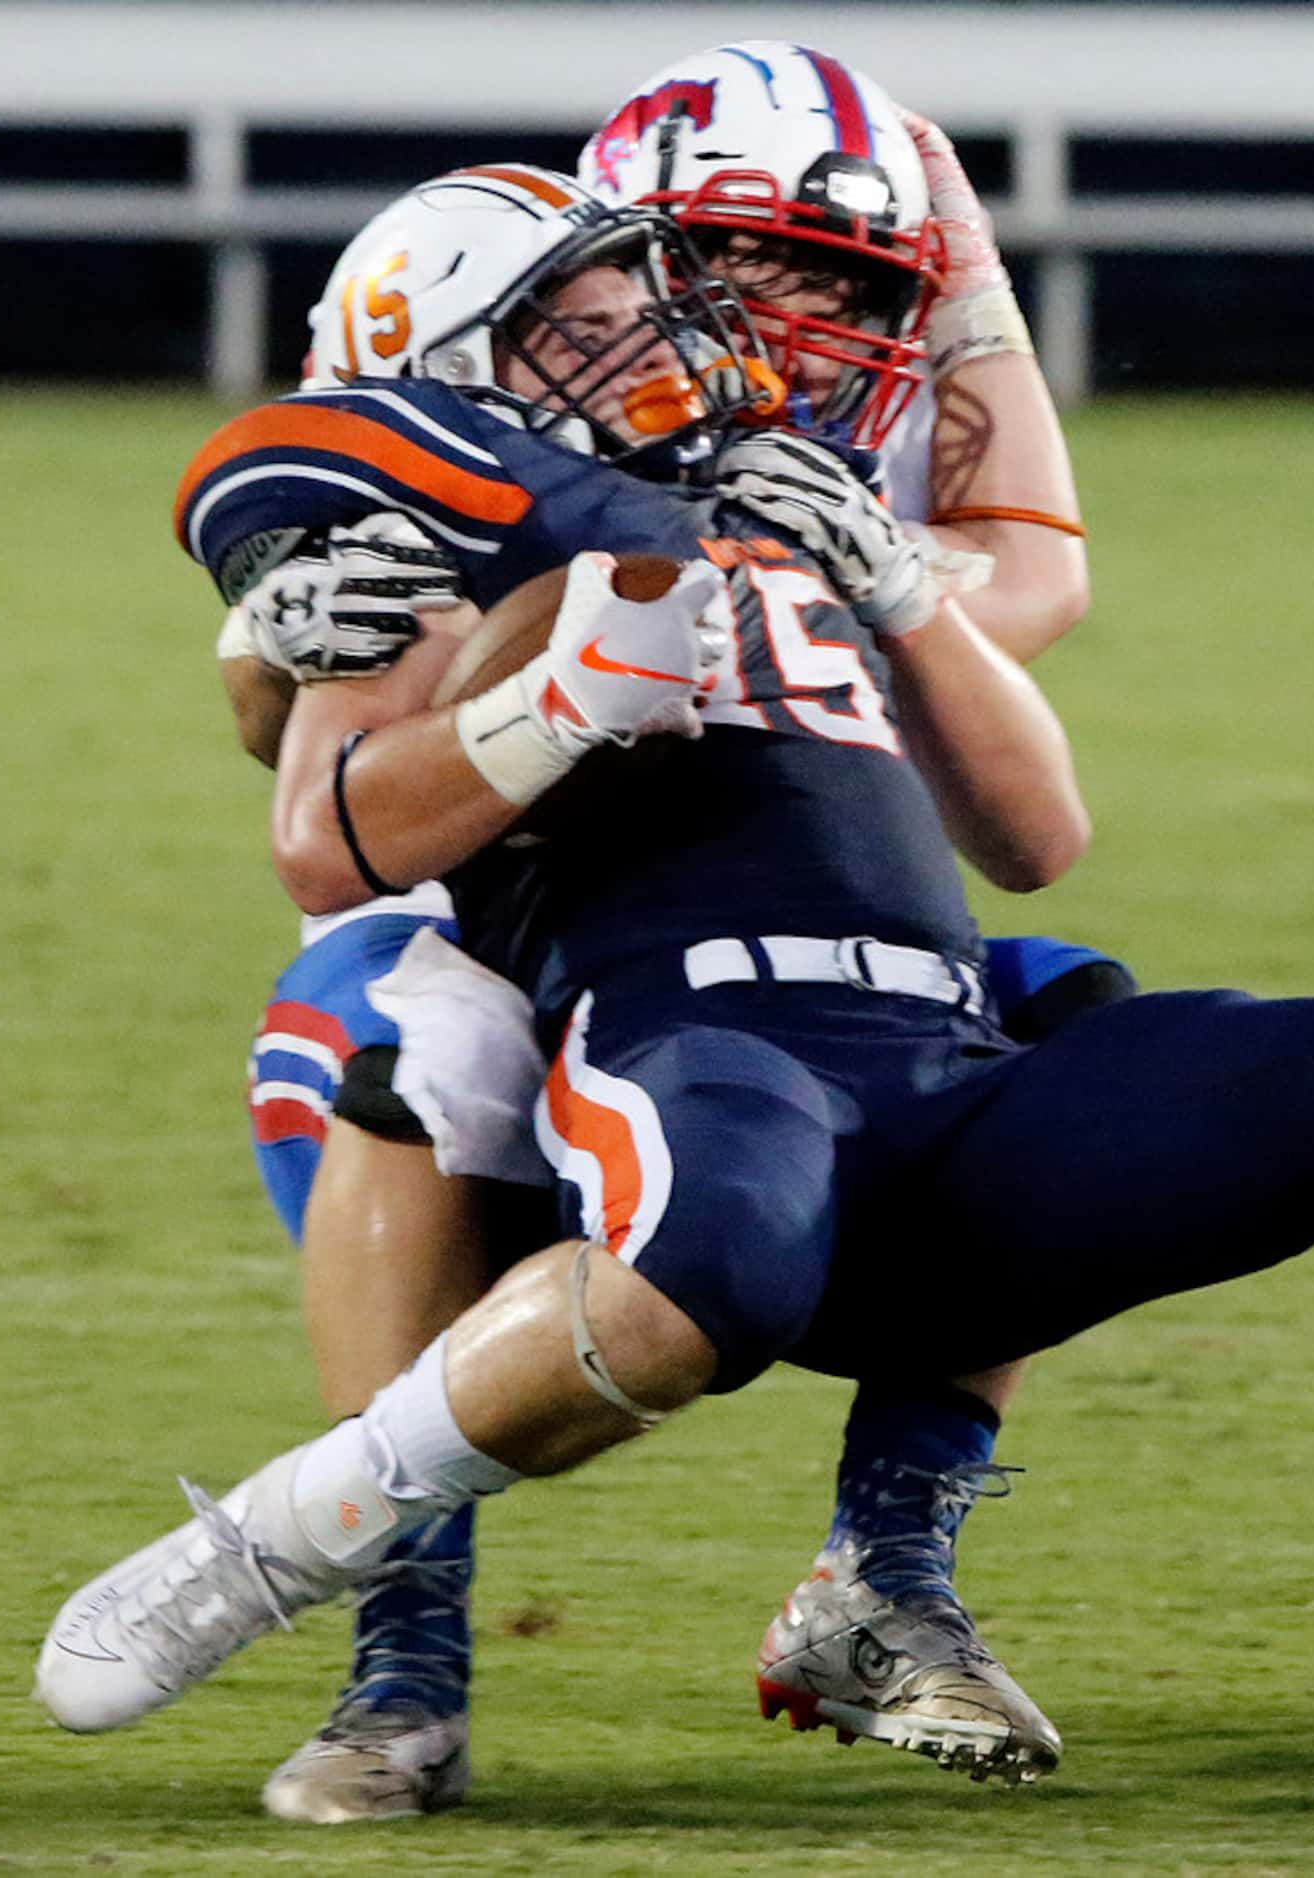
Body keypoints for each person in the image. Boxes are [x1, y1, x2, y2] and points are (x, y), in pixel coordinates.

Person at [41, 268, 1314, 1789]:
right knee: (691, 1238)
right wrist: (542, 656)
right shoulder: (436, 555)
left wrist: (890, 576)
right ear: (457, 360)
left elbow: (1032, 832)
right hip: (672, 1047)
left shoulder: (767, 495)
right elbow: (322, 788)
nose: (652, 334)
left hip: (934, 1056)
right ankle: (304, 1567)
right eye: (578, 313)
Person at [226, 40, 1110, 1821]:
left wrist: (971, 282)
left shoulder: (840, 465)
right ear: (620, 259)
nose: (809, 314)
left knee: (1045, 1043)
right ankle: (403, 1649)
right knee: (393, 1041)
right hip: (519, 930)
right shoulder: (472, 379)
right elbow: (309, 738)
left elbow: (1033, 577)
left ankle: (889, 1567)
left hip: (776, 956)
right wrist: (270, 635)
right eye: (759, 262)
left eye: (857, 279)